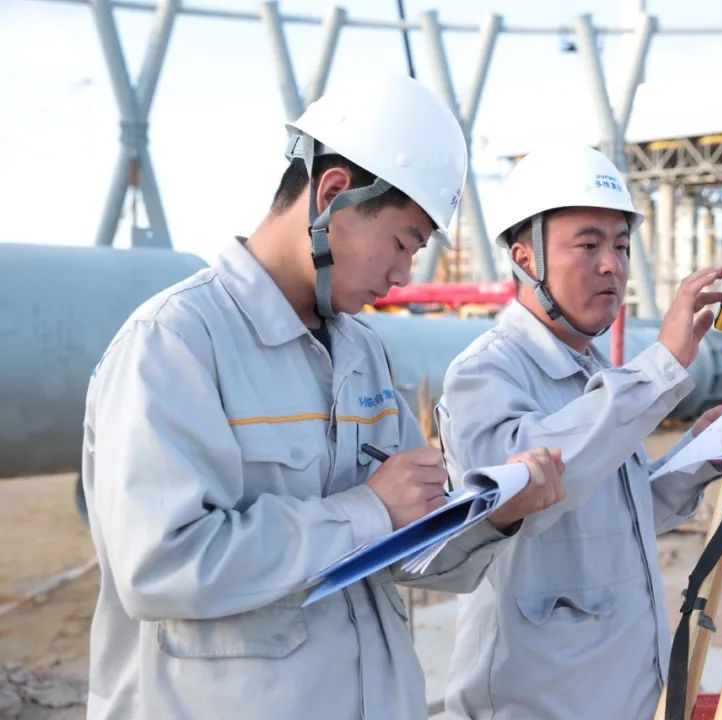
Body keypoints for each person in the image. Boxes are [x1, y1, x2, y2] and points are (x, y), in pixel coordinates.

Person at [80, 72, 564, 720]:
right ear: (333, 195)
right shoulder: (176, 344)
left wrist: (499, 510)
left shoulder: (363, 354)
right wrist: (366, 510)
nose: (402, 276)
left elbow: (407, 544)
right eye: (402, 243)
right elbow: (161, 564)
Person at [437, 143, 722, 720]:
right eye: (588, 244)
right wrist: (661, 365)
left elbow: (621, 514)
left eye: (621, 246)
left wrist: (705, 454)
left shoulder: (598, 375)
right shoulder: (484, 373)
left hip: (623, 696)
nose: (612, 266)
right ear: (524, 257)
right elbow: (531, 490)